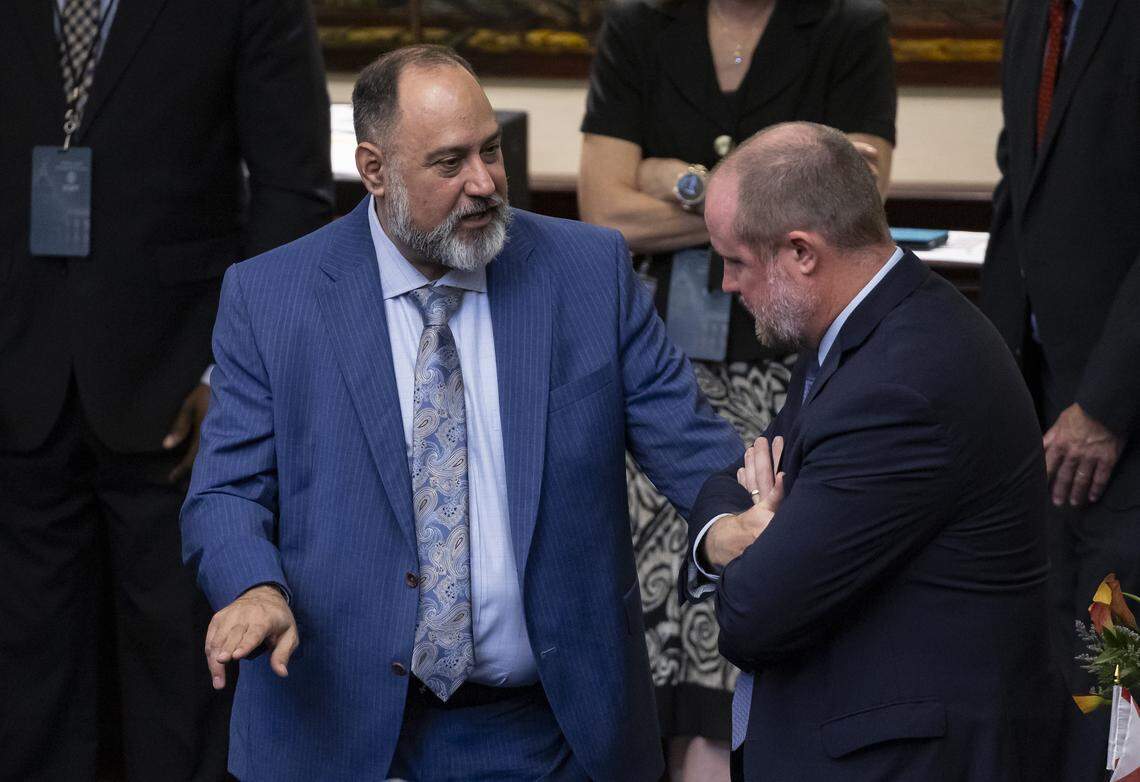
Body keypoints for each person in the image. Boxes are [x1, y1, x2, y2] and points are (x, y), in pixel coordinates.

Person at [180, 45, 742, 781]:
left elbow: (693, 446)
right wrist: (253, 586)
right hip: (340, 729)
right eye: (450, 163)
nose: (483, 183)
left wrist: (728, 523)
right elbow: (226, 490)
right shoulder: (272, 297)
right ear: (375, 170)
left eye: (492, 151)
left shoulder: (587, 273)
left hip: (553, 730)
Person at [0, 1, 333, 778]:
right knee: (26, 687)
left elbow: (294, 193)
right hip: (19, 383)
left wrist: (235, 374)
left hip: (183, 395)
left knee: (182, 688)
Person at [687, 121, 1079, 780]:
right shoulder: (865, 328)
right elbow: (737, 473)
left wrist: (763, 537)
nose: (726, 284)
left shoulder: (902, 386)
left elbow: (752, 616)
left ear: (802, 252)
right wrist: (728, 535)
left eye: (736, 262)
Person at [578, 2, 895, 773]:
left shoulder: (847, 29)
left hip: (791, 361)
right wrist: (749, 212)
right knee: (648, 604)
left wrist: (676, 182)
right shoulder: (639, 28)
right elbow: (603, 210)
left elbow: (856, 207)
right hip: (656, 368)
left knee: (752, 571)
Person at [981, 0, 1140, 773]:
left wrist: (1107, 405)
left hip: (1123, 419)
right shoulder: (1031, 12)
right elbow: (1018, 186)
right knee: (1056, 670)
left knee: (1119, 678)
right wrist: (993, 374)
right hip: (1040, 406)